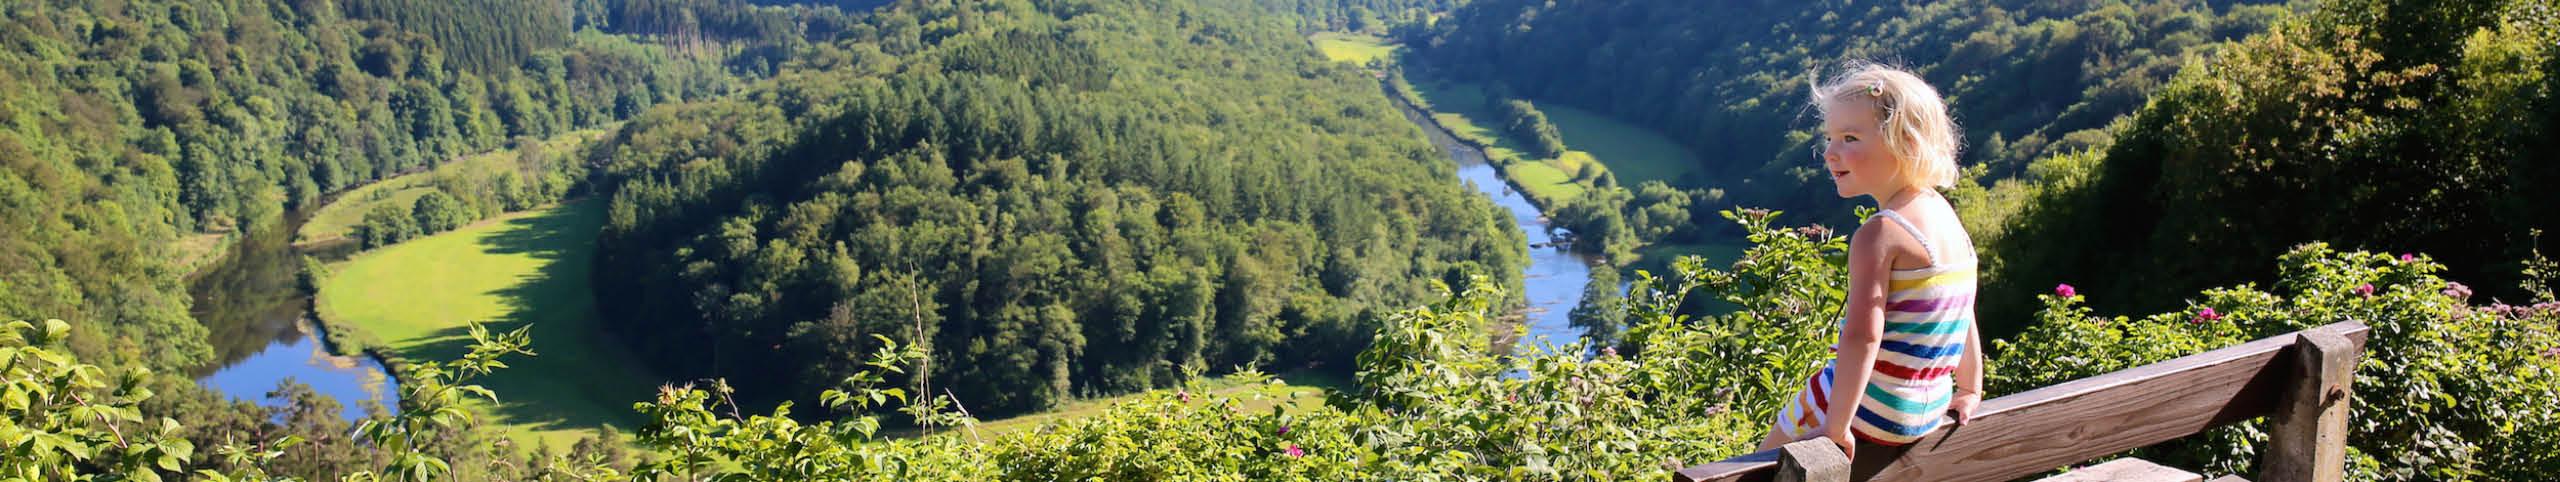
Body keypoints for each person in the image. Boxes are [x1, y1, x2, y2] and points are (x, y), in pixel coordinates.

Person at [1759, 62, 1984, 459]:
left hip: (1875, 409)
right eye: (1830, 138)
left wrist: (1837, 427)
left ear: (1906, 143)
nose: (1830, 153)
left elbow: (1862, 337)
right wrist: (1970, 388)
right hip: (1927, 406)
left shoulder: (1880, 234)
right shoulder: (1946, 218)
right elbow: (1963, 311)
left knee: (1749, 468)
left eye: (1849, 138)